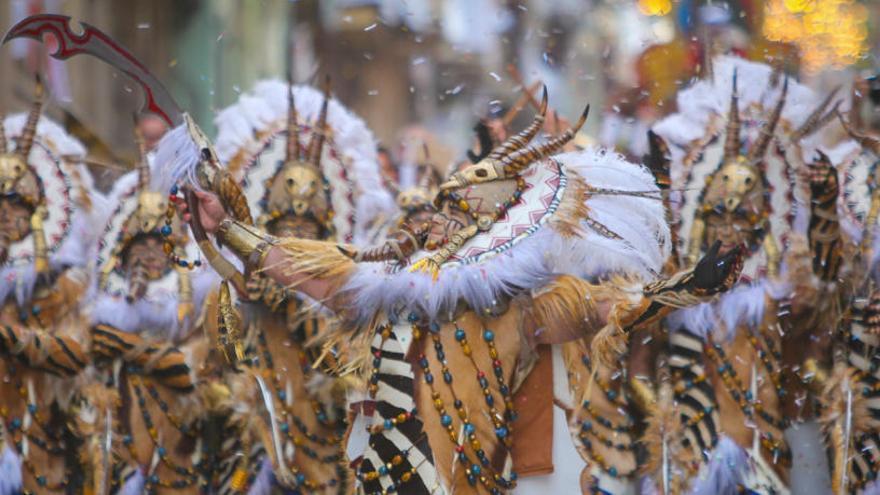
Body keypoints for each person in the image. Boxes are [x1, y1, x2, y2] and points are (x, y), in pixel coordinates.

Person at [169, 88, 742, 494]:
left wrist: (685, 288)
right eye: (439, 208)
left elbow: (609, 309)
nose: (435, 221)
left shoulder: (521, 307)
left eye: (455, 211)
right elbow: (304, 269)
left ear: (490, 230)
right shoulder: (388, 288)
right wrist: (226, 228)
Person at [0, 78, 106, 495]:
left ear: (36, 216)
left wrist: (12, 337)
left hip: (39, 449)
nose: (7, 218)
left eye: (17, 208)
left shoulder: (63, 284)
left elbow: (77, 350)